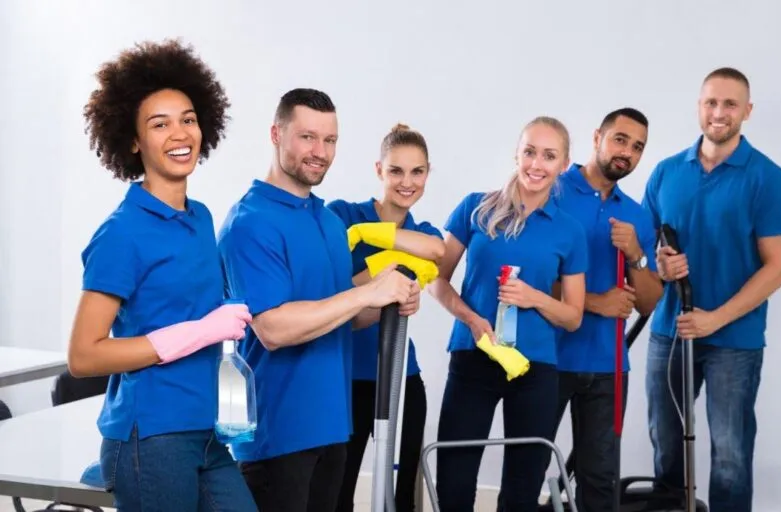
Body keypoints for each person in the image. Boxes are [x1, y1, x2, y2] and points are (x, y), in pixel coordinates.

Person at [69, 38, 259, 512]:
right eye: (160, 124)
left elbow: (190, 303)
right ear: (133, 141)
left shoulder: (201, 218)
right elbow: (84, 356)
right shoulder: (122, 233)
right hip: (152, 438)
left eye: (188, 119)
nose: (180, 133)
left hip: (208, 431)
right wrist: (198, 332)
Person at [217, 88, 423, 512]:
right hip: (278, 436)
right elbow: (273, 329)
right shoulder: (250, 223)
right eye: (307, 137)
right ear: (276, 134)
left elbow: (340, 317)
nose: (321, 152)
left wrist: (387, 303)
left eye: (330, 140)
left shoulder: (328, 223)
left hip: (333, 426)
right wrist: (366, 292)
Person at [641, 67, 781, 512]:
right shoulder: (667, 172)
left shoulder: (768, 179)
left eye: (730, 104)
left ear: (747, 111)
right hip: (670, 333)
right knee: (665, 444)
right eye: (711, 102)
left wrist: (714, 319)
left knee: (730, 456)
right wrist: (660, 264)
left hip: (734, 340)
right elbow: (646, 247)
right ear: (699, 106)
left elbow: (779, 268)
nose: (719, 112)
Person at [427, 116, 588, 511]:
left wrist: (535, 298)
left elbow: (573, 317)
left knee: (522, 488)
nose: (536, 164)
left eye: (549, 156)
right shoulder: (475, 208)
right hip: (474, 355)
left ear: (564, 165)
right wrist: (470, 318)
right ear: (517, 154)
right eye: (529, 152)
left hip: (535, 368)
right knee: (454, 481)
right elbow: (436, 280)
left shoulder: (570, 231)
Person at [328, 123, 447, 512]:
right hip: (348, 377)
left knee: (404, 491)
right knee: (338, 489)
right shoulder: (343, 215)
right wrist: (385, 272)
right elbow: (336, 294)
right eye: (396, 171)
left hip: (400, 375)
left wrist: (369, 237)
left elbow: (437, 250)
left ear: (427, 173)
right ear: (379, 170)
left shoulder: (422, 232)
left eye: (417, 172)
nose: (406, 182)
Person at [548, 107, 663, 511]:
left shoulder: (636, 216)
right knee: (526, 468)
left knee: (600, 481)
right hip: (546, 357)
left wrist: (635, 256)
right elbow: (527, 277)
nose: (627, 152)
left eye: (637, 147)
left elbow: (648, 301)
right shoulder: (551, 190)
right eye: (620, 139)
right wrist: (596, 303)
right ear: (597, 137)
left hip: (608, 367)